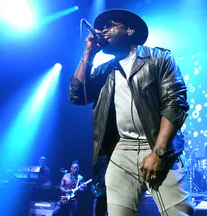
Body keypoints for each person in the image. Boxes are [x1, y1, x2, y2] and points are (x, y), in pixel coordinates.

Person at [69, 9, 194, 216]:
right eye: (101, 27)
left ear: (129, 30)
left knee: (178, 213)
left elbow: (175, 105)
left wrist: (159, 152)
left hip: (157, 146)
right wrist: (88, 53)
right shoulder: (104, 71)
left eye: (109, 24)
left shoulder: (158, 58)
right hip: (120, 150)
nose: (102, 30)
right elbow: (76, 95)